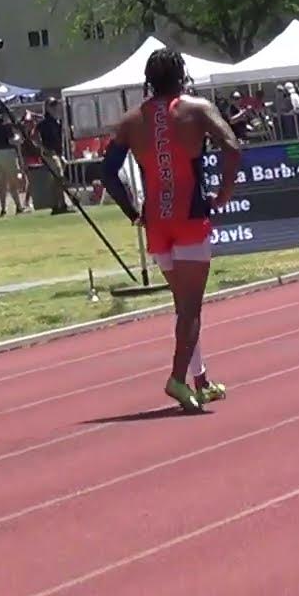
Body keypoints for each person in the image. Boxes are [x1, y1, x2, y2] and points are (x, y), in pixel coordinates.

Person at [100, 48, 243, 411]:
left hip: (157, 222)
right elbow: (232, 146)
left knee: (184, 308)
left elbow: (107, 173)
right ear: (182, 74)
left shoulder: (132, 120)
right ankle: (178, 379)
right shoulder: (196, 109)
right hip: (191, 215)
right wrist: (223, 194)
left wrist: (133, 211)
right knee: (191, 309)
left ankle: (201, 380)